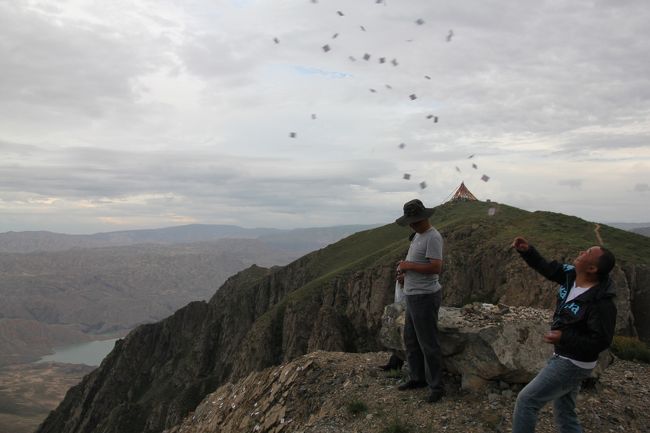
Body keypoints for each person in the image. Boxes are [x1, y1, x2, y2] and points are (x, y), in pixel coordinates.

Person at [511, 237, 617, 433]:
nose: (581, 252)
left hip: (572, 362)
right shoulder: (571, 275)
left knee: (527, 401)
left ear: (592, 269)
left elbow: (601, 341)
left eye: (587, 252)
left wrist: (564, 338)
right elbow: (548, 268)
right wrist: (528, 251)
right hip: (565, 355)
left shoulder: (601, 303)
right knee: (565, 411)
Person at [394, 199, 445, 403]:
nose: (411, 224)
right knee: (412, 340)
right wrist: (406, 276)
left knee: (428, 343)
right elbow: (420, 264)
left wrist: (409, 266)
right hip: (414, 294)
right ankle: (417, 378)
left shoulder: (433, 237)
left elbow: (436, 267)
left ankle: (436, 387)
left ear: (423, 218)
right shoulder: (418, 236)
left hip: (425, 296)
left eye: (414, 221)